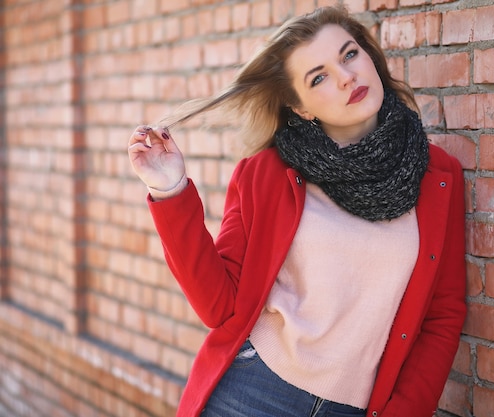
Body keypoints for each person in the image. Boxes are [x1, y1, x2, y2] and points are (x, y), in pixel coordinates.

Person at [127, 6, 466, 417]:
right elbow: (218, 307)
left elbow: (442, 316)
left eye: (349, 55)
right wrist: (169, 190)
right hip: (252, 395)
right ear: (301, 107)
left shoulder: (437, 176)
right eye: (318, 77)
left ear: (369, 57)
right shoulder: (266, 173)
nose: (346, 77)